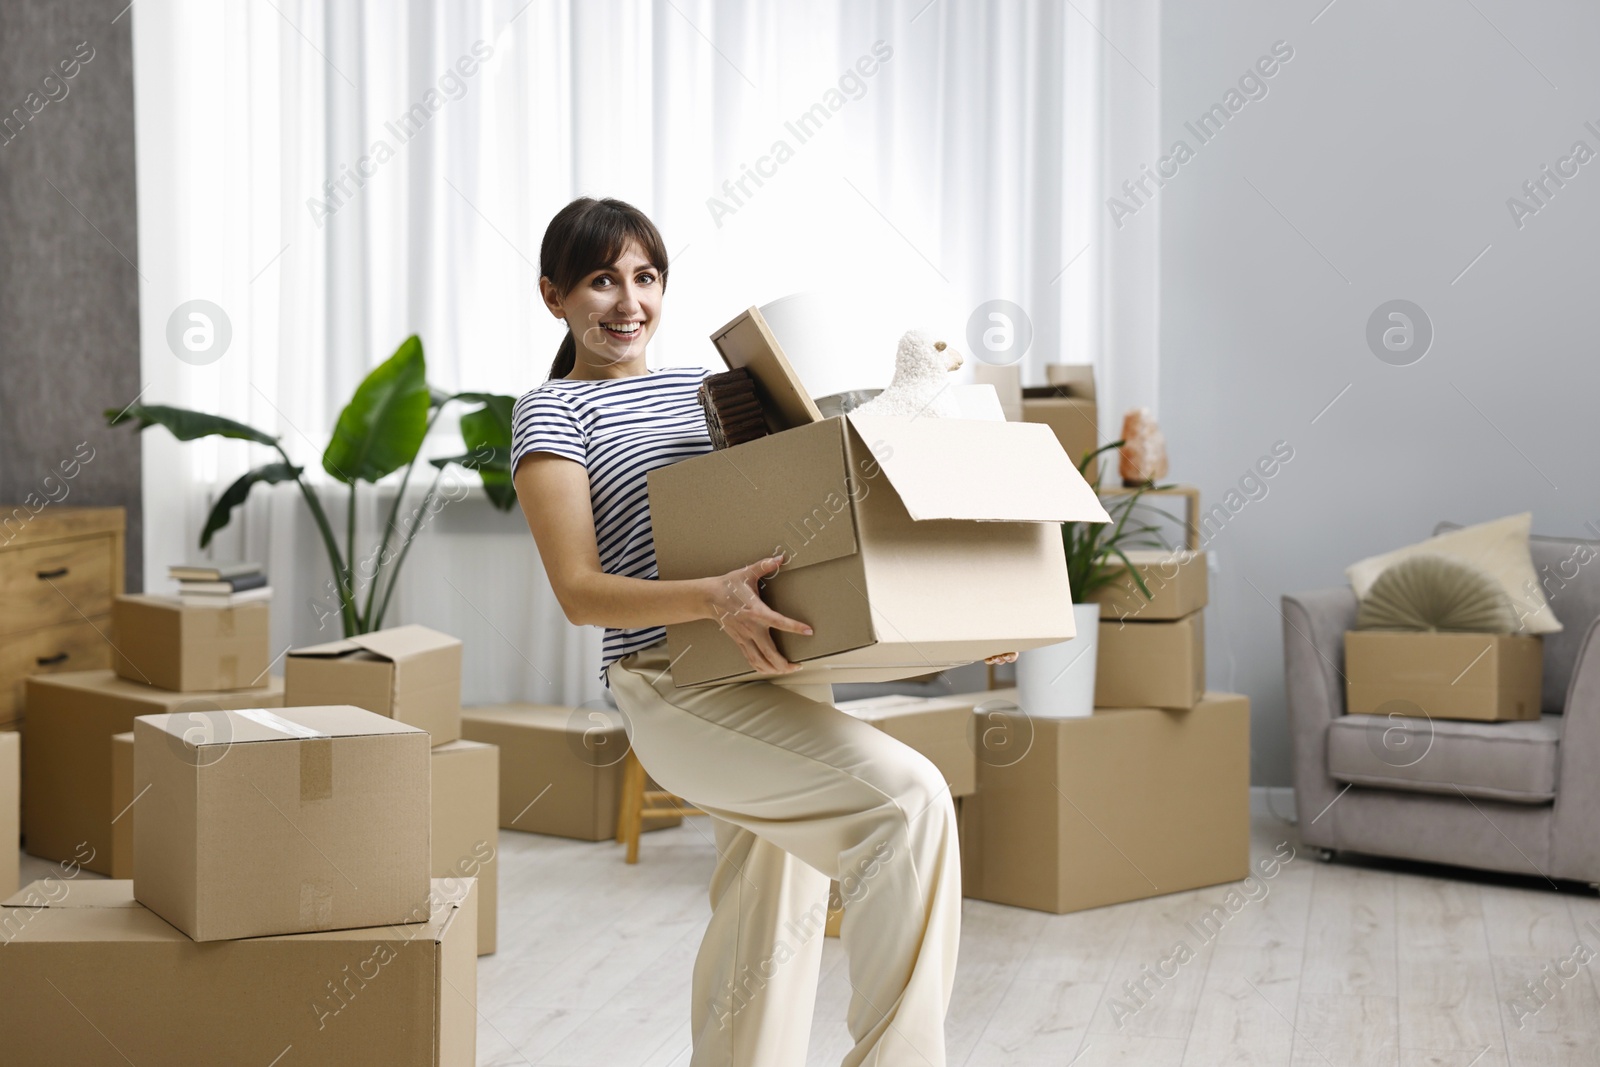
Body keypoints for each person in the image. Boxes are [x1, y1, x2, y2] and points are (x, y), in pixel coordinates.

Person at [510, 195, 1016, 1067]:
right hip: (674, 680)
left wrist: (961, 613)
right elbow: (582, 592)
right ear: (554, 296)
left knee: (770, 903)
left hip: (777, 663)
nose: (628, 302)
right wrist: (712, 598)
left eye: (646, 277)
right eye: (601, 281)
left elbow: (822, 508)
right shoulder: (552, 413)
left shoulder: (712, 391)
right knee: (909, 801)